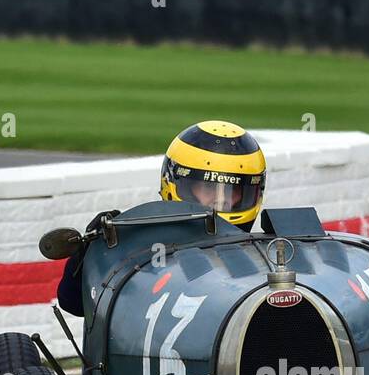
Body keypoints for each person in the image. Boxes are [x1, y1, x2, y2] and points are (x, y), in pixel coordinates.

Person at [57, 120, 266, 316]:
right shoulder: (134, 243)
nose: (221, 201)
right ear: (175, 182)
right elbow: (72, 303)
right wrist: (88, 253)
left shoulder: (270, 256)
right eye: (209, 187)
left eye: (234, 189)